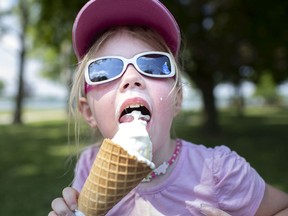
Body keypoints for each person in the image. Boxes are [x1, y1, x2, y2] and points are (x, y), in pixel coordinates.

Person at [49, 0, 288, 215]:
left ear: (177, 99)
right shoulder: (89, 165)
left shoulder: (220, 171)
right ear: (88, 112)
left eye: (153, 65)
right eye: (105, 69)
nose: (131, 77)